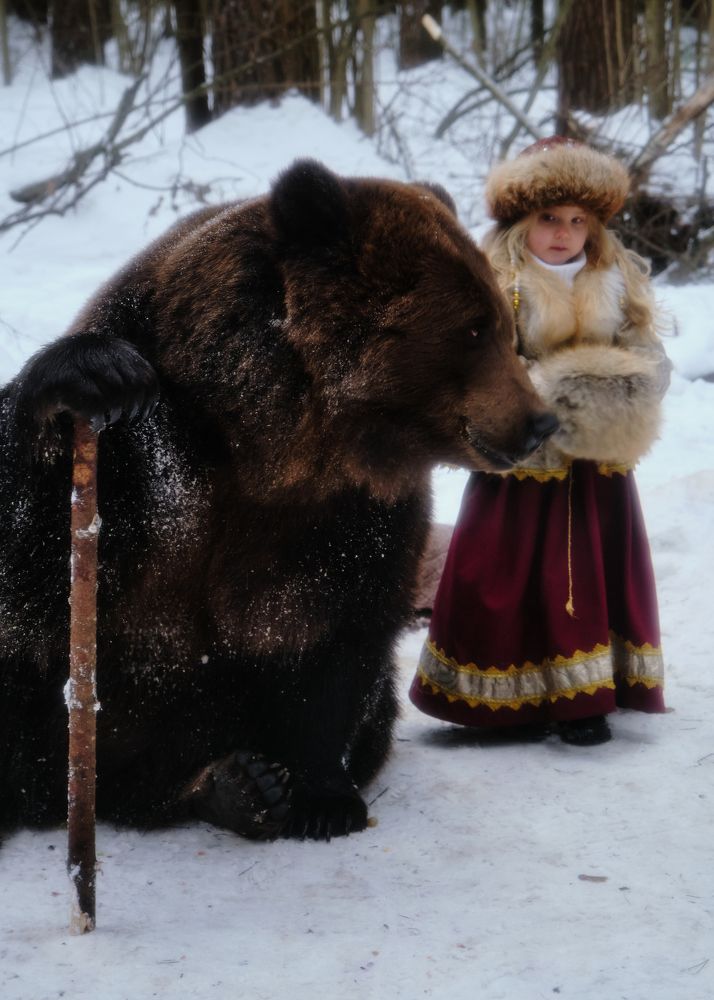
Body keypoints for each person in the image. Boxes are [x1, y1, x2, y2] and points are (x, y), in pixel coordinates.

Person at [409, 138, 671, 745]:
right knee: (508, 569)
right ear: (521, 221)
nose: (563, 233)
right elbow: (484, 362)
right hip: (524, 456)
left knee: (588, 574)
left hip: (598, 460)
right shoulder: (499, 281)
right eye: (548, 218)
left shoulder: (615, 279)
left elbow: (646, 353)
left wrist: (619, 388)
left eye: (578, 221)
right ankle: (502, 696)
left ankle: (588, 696)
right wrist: (539, 398)